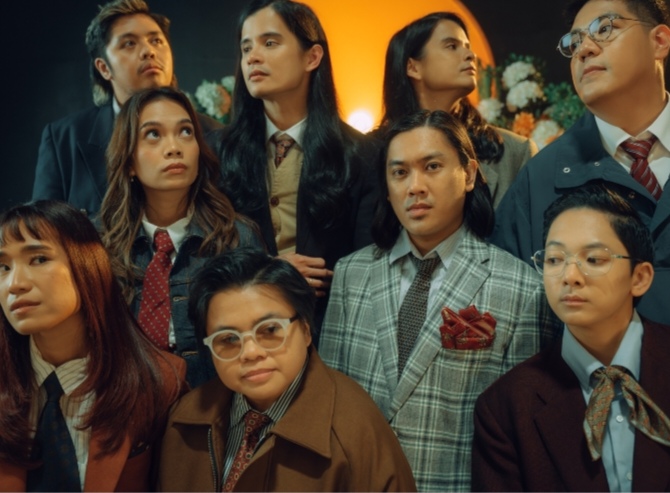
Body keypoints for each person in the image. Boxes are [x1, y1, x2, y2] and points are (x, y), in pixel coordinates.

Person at [318, 109, 559, 492]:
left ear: (469, 174)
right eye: (400, 172)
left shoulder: (521, 289)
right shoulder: (351, 274)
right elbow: (328, 400)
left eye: (432, 167)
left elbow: (520, 429)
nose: (415, 186)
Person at [157, 248, 417, 492]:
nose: (251, 352)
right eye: (228, 339)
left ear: (305, 329)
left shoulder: (356, 431)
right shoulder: (184, 420)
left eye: (270, 330)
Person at [472, 185, 670, 492]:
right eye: (554, 259)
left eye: (594, 259)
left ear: (639, 277)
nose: (570, 276)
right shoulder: (506, 406)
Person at [491, 0, 670, 326]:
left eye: (605, 29)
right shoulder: (540, 179)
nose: (584, 49)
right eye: (574, 42)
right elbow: (508, 313)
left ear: (659, 41)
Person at [213, 0, 378, 343]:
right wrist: (269, 272)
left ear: (312, 57)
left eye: (270, 43)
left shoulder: (359, 154)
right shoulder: (217, 152)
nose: (253, 57)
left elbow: (368, 267)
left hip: (330, 333)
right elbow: (203, 257)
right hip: (240, 333)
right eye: (246, 48)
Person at [0, 200, 186, 492]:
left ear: (87, 265)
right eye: (3, 266)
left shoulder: (158, 380)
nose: (15, 283)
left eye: (38, 259)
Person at [100, 87, 263, 388]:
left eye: (186, 132)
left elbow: (259, 336)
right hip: (128, 399)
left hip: (216, 398)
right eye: (153, 134)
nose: (174, 147)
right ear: (129, 161)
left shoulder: (237, 237)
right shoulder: (99, 242)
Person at [32, 0, 221, 217]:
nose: (149, 51)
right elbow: (42, 227)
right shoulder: (63, 139)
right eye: (129, 43)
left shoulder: (213, 134)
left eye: (156, 40)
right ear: (104, 68)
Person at [378, 12, 537, 208]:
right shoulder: (373, 152)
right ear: (413, 67)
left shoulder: (515, 152)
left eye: (467, 47)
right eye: (451, 46)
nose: (471, 55)